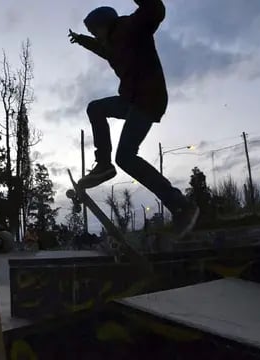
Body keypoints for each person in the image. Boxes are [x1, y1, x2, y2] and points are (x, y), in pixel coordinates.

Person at [68, 0, 199, 236]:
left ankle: (181, 205)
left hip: (148, 99)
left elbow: (154, 11)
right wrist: (81, 40)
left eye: (94, 31)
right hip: (131, 100)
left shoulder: (130, 27)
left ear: (105, 24)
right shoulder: (110, 46)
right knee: (95, 108)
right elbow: (100, 48)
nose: (95, 36)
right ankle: (104, 165)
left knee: (126, 157)